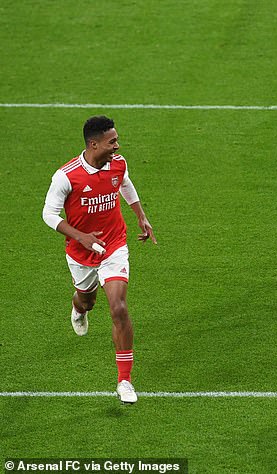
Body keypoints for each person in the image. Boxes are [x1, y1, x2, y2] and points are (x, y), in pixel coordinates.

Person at [42, 116, 157, 404]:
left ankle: (125, 380)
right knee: (87, 300)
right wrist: (80, 236)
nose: (117, 146)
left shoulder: (118, 163)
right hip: (82, 253)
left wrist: (141, 216)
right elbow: (49, 214)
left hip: (114, 244)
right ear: (93, 144)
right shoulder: (66, 176)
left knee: (118, 307)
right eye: (112, 142)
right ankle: (78, 307)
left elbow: (125, 185)